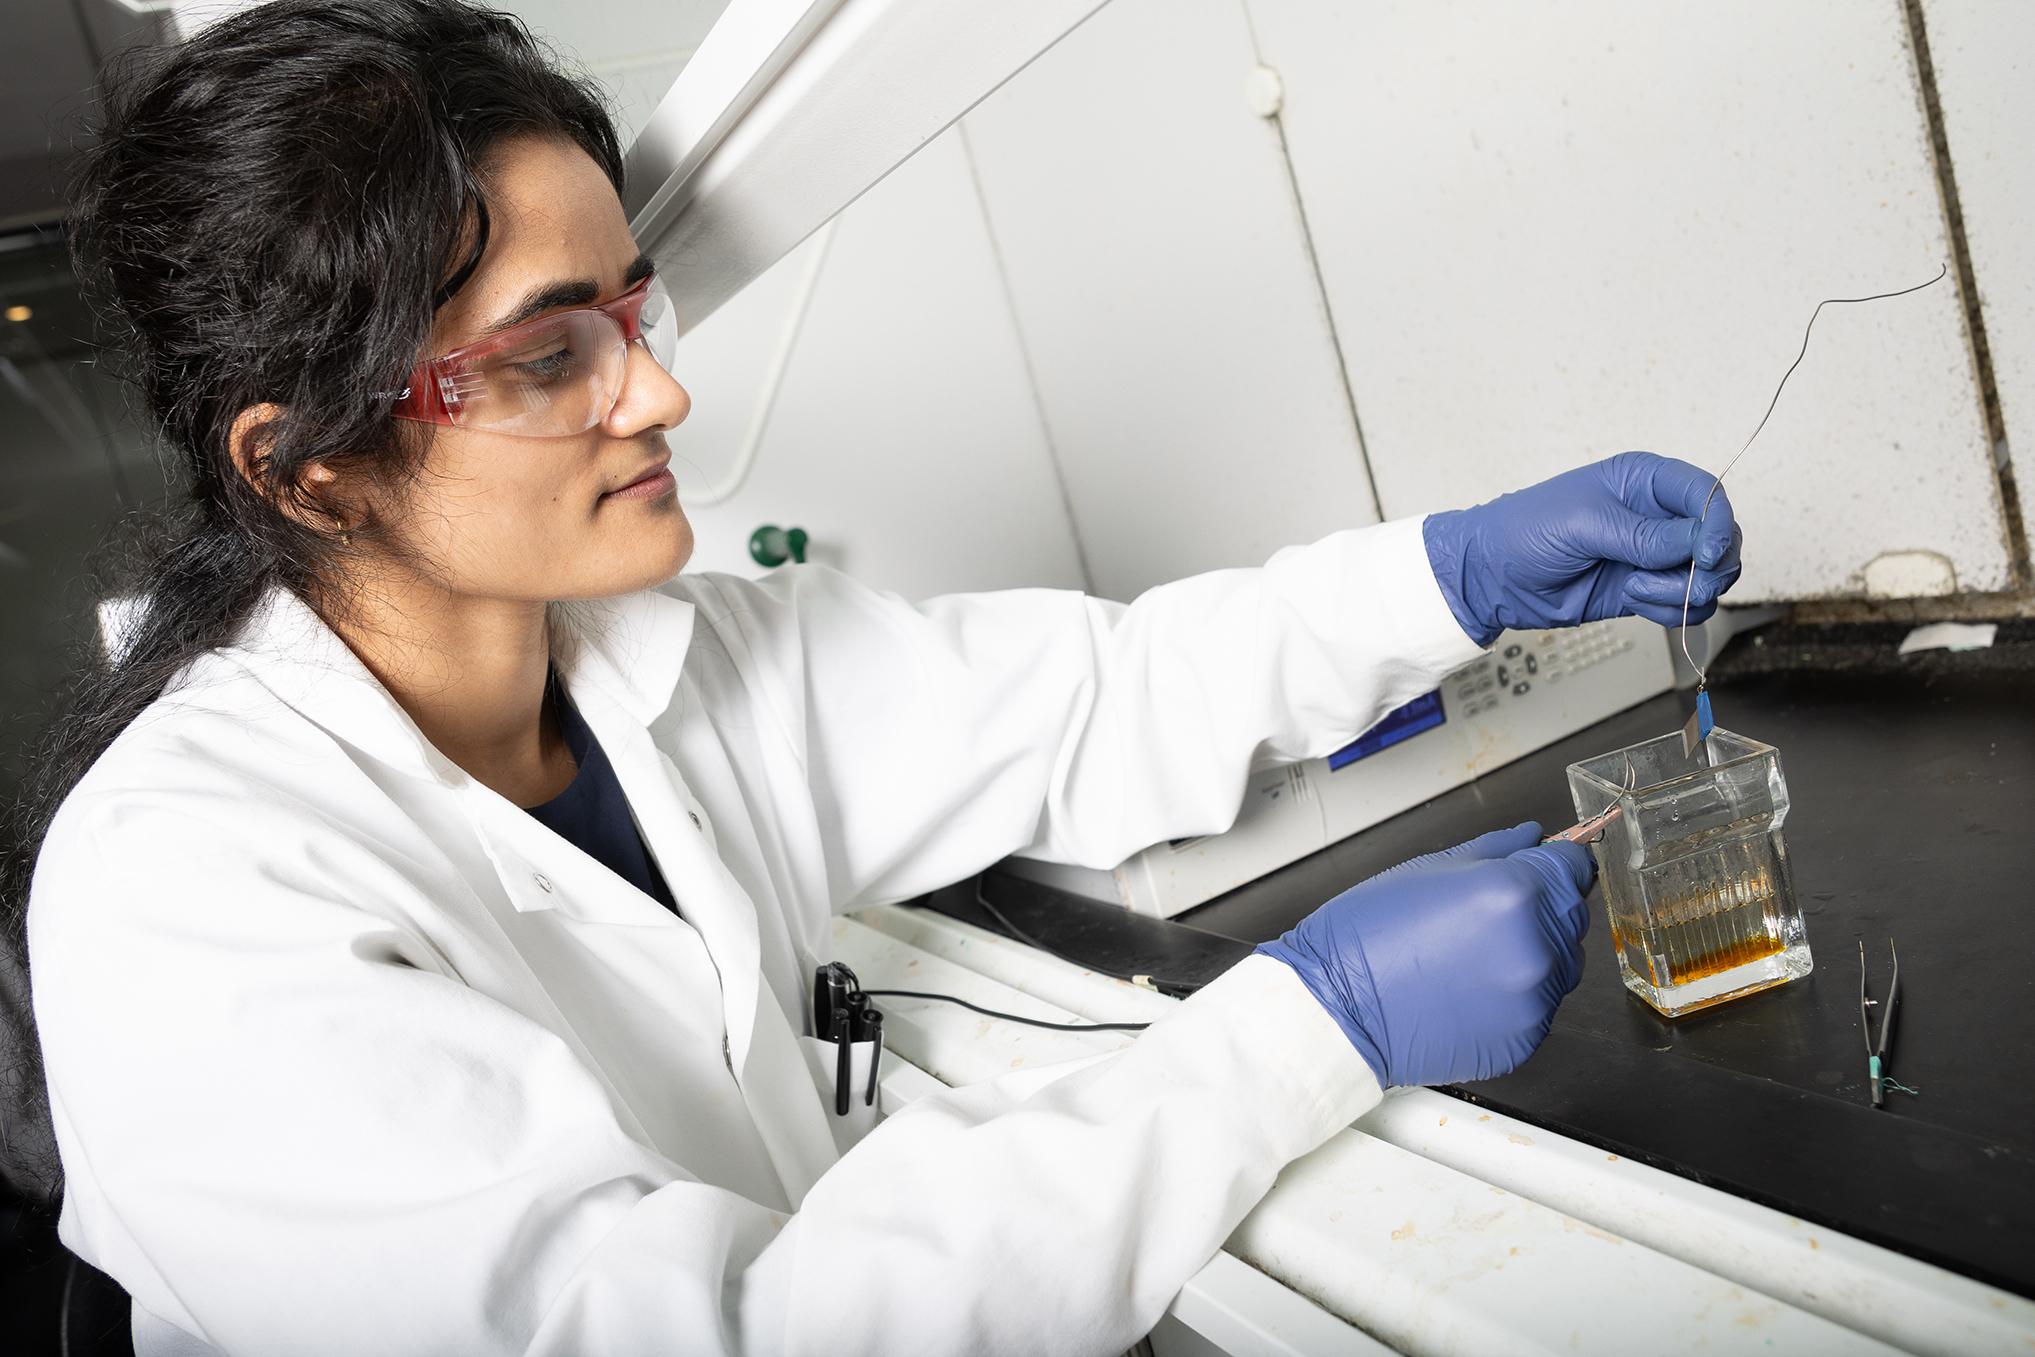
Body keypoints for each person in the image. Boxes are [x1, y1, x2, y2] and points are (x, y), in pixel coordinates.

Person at [10, 2, 1742, 1353]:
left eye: (637, 310)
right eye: (552, 356)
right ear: (307, 468)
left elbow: (1093, 700)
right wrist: (1311, 1025)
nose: (655, 395)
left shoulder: (649, 655)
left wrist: (1445, 578)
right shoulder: (184, 894)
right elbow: (715, 1337)